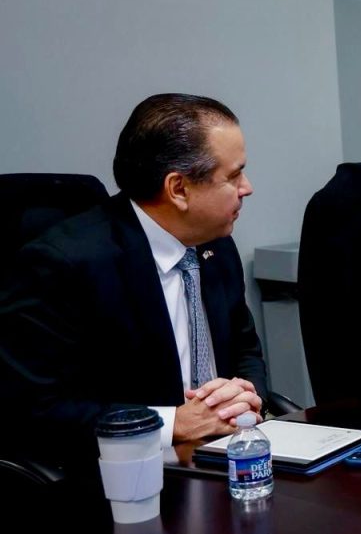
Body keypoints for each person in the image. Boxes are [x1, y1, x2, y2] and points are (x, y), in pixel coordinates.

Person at [0, 93, 267, 470]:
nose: (247, 187)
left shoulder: (215, 244)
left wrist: (244, 396)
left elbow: (245, 347)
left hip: (224, 456)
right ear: (178, 189)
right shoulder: (64, 265)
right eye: (234, 175)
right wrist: (173, 423)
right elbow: (38, 407)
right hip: (120, 474)